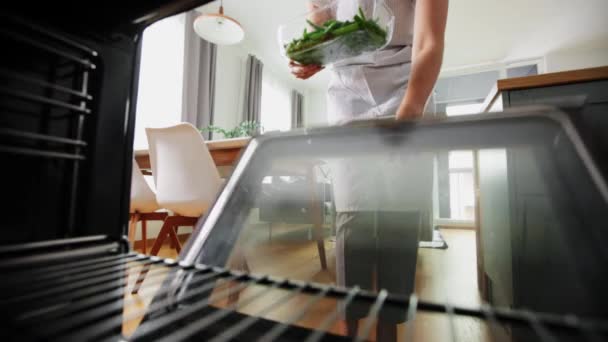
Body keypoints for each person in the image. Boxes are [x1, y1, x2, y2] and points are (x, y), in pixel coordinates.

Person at [289, 1, 447, 340]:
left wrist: (412, 107)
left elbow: (429, 41)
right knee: (351, 210)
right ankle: (350, 323)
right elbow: (324, 27)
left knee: (399, 213)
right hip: (348, 89)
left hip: (409, 78)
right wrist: (313, 53)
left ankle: (389, 327)